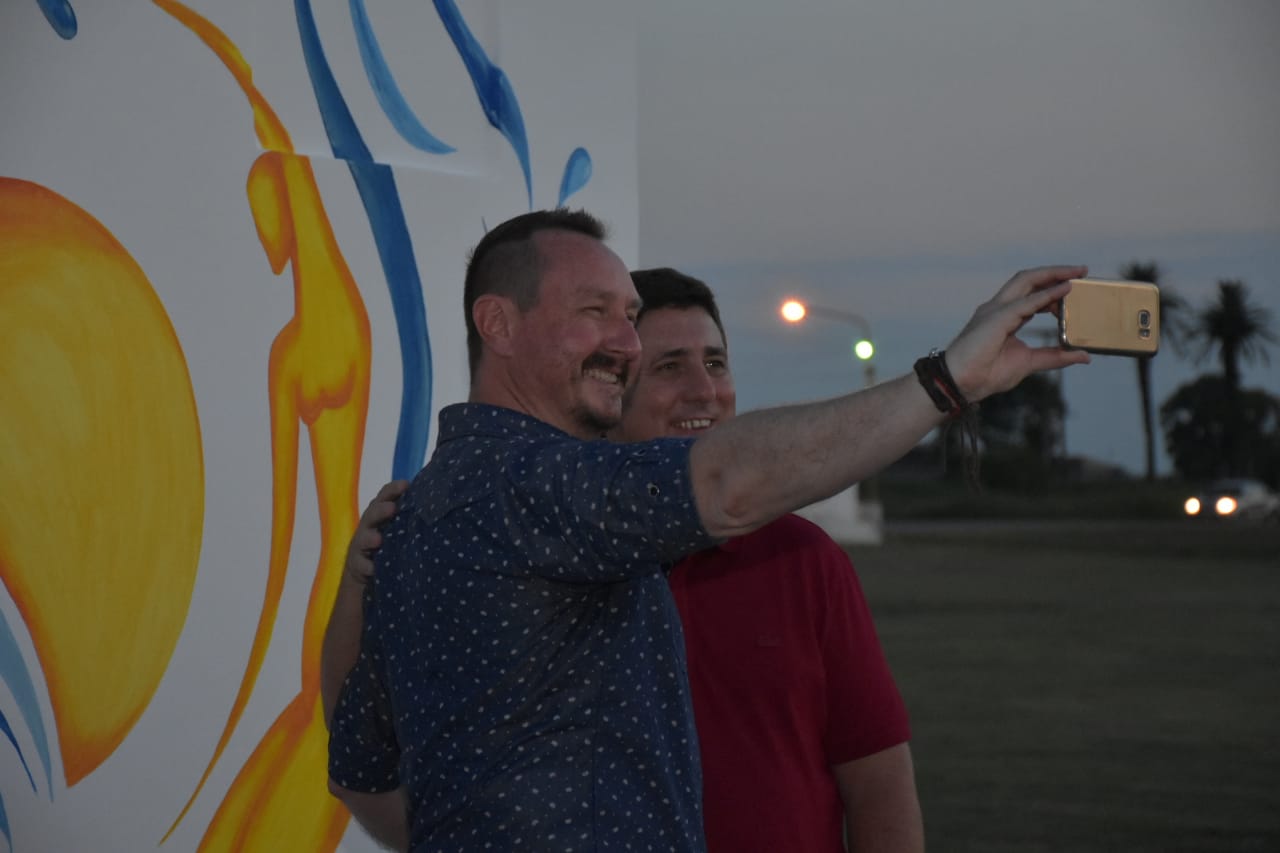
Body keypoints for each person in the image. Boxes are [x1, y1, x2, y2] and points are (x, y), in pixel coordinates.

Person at [325, 208, 1090, 851]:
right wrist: (946, 382)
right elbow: (728, 482)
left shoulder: (423, 513)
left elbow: (359, 766)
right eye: (594, 312)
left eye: (629, 317)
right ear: (498, 322)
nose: (626, 343)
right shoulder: (533, 484)